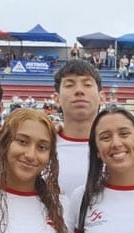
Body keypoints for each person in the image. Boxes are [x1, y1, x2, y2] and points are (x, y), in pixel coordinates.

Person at [53, 60, 104, 196]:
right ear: (56, 99)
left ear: (101, 97)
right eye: (69, 85)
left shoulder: (121, 149)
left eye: (87, 84)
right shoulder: (41, 147)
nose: (79, 91)